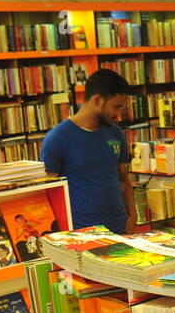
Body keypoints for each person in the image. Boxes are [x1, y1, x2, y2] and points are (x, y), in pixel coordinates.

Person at [40, 68, 134, 233]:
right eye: (116, 107)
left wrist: (133, 216)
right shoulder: (58, 138)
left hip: (119, 228)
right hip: (80, 232)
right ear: (97, 100)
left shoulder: (115, 132)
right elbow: (49, 192)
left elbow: (124, 179)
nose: (119, 115)